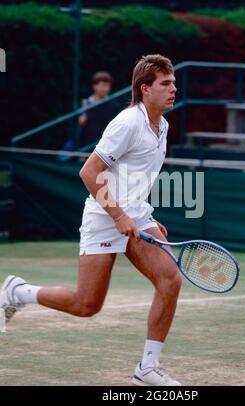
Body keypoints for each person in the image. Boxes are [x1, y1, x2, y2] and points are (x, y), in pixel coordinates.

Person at [0, 54, 182, 386]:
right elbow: (89, 171)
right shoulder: (127, 123)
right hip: (103, 216)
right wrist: (117, 214)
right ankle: (18, 292)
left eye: (173, 82)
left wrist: (143, 215)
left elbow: (134, 176)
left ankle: (147, 369)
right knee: (86, 305)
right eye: (165, 83)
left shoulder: (163, 125)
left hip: (136, 214)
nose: (174, 88)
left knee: (171, 279)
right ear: (145, 89)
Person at [78, 71, 120, 148]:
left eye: (108, 86)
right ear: (95, 86)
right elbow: (81, 122)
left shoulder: (114, 106)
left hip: (106, 147)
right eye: (103, 85)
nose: (106, 89)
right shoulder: (86, 103)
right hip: (87, 146)